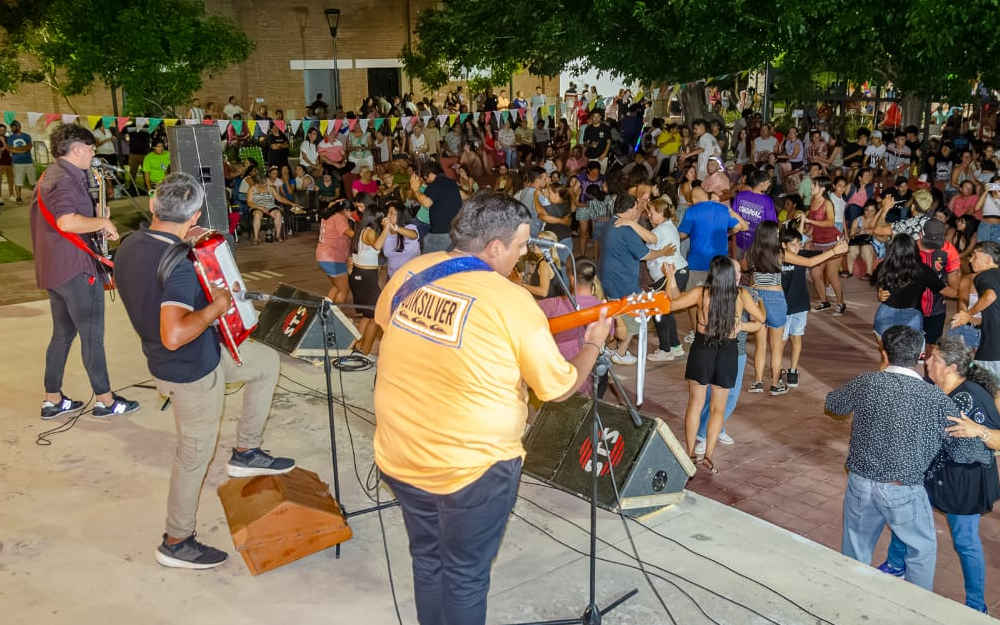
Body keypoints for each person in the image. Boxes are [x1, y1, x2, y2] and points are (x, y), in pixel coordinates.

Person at [373, 192, 610, 625]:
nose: (523, 256)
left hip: (400, 450)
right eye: (520, 246)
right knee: (465, 575)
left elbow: (393, 327)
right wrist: (593, 343)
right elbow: (559, 387)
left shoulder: (412, 271)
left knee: (428, 559)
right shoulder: (511, 300)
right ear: (495, 247)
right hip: (472, 469)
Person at [115, 172, 294, 569]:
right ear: (195, 214)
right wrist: (217, 305)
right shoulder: (178, 264)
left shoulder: (130, 245)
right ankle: (176, 541)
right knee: (194, 455)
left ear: (152, 205)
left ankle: (247, 451)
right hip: (188, 369)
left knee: (264, 362)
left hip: (199, 355)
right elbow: (175, 333)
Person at [825, 325, 989, 592]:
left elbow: (833, 404)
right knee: (921, 552)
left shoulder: (867, 382)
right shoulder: (935, 398)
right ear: (921, 355)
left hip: (861, 483)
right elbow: (963, 451)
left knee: (855, 550)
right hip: (904, 490)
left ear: (884, 353)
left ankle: (850, 600)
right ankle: (913, 611)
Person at [880, 336, 1000, 613]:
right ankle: (897, 565)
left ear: (951, 366)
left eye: (933, 358)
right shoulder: (935, 389)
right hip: (935, 472)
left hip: (964, 482)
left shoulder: (973, 397)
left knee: (965, 541)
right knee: (909, 516)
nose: (926, 360)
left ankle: (976, 605)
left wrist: (978, 431)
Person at [29, 123, 139, 420]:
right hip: (75, 269)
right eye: (91, 149)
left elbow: (64, 219)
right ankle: (105, 400)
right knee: (92, 336)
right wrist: (101, 224)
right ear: (77, 149)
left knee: (62, 335)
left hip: (55, 270)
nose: (93, 154)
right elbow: (66, 222)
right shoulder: (64, 179)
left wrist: (94, 217)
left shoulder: (51, 175)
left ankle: (53, 400)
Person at [665, 255, 764, 471]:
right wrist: (742, 327)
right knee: (718, 409)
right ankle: (708, 455)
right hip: (727, 351)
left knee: (695, 404)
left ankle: (690, 453)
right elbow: (760, 321)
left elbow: (672, 303)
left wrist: (670, 278)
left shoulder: (701, 293)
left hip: (702, 349)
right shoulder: (741, 295)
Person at [747, 221, 848, 394]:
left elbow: (749, 274)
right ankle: (775, 384)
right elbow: (809, 263)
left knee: (761, 345)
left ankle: (757, 382)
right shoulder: (779, 253)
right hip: (775, 299)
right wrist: (834, 251)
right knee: (777, 346)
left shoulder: (751, 253)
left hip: (756, 298)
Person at [599, 194, 674, 364]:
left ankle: (610, 349)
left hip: (607, 276)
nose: (640, 211)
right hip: (623, 280)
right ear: (630, 209)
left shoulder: (609, 223)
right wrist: (663, 252)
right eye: (637, 208)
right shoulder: (625, 230)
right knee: (637, 317)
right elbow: (646, 254)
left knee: (615, 315)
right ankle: (621, 352)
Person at [646, 198, 687, 361]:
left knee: (660, 312)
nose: (649, 215)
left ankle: (666, 349)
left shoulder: (659, 231)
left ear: (662, 213)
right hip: (678, 272)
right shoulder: (667, 226)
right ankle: (675, 346)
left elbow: (645, 252)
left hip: (670, 274)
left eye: (652, 212)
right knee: (666, 312)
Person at [951, 241, 1000, 379]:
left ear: (989, 259)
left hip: (992, 351)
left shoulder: (983, 276)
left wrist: (968, 314)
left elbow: (990, 296)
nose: (970, 260)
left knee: (985, 392)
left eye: (975, 256)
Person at [349, 206, 388, 355]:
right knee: (375, 317)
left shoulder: (361, 229)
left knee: (366, 316)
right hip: (365, 277)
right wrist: (386, 228)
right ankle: (365, 351)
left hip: (359, 275)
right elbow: (377, 246)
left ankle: (356, 345)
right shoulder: (370, 232)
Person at [410, 160, 462, 253]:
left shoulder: (435, 184)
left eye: (425, 178)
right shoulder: (452, 182)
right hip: (454, 231)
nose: (425, 181)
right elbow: (464, 196)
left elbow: (426, 203)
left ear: (429, 175)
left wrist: (415, 190)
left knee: (428, 262)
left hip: (440, 233)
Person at [731, 169, 777, 259]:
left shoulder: (741, 195)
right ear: (761, 184)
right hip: (756, 243)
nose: (769, 185)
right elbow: (771, 224)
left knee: (739, 268)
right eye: (768, 183)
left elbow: (733, 218)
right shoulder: (767, 201)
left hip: (739, 239)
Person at [316, 199, 353, 304]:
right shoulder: (339, 217)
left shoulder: (328, 216)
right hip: (332, 257)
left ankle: (326, 313)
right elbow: (350, 233)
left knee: (337, 286)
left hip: (323, 256)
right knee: (343, 290)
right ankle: (334, 316)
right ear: (345, 210)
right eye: (351, 211)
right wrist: (365, 234)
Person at [381, 201, 420, 277]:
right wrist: (385, 230)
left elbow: (414, 235)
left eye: (391, 213)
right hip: (393, 275)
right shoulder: (386, 230)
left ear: (400, 215)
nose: (388, 216)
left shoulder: (409, 227)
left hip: (410, 275)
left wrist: (396, 228)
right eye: (388, 213)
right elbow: (382, 251)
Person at [9, 120, 35, 202]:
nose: (12, 129)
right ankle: (18, 198)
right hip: (17, 163)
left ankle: (36, 197)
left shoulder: (26, 136)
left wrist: (17, 149)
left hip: (28, 161)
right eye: (11, 127)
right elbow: (10, 149)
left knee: (33, 181)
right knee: (18, 181)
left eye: (13, 127)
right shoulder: (11, 138)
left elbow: (29, 146)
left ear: (18, 126)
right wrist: (23, 150)